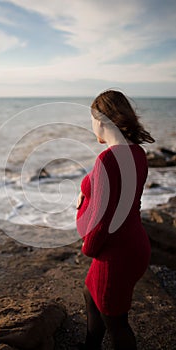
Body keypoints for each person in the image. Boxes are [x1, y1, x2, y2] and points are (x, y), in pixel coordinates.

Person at [76, 90, 155, 350]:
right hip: (135, 244)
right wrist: (85, 191)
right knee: (91, 293)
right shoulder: (137, 153)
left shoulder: (108, 159)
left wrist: (88, 248)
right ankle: (91, 345)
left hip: (115, 253)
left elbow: (104, 221)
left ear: (100, 120)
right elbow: (127, 199)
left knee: (117, 322)